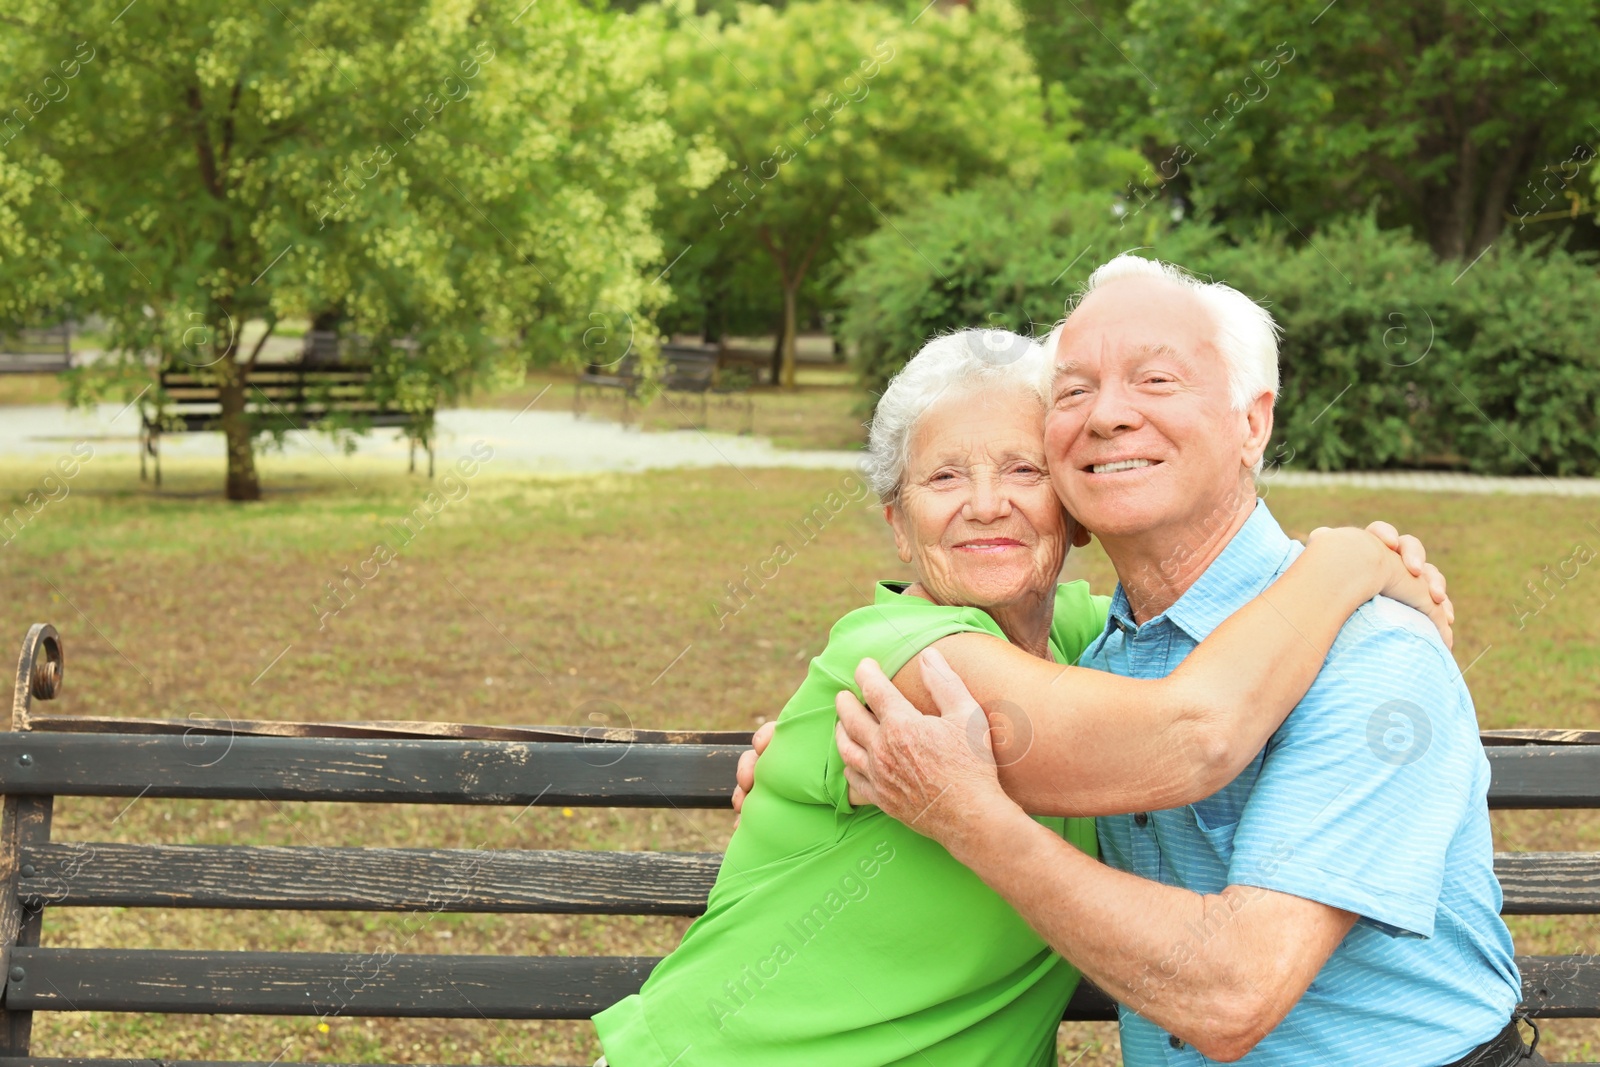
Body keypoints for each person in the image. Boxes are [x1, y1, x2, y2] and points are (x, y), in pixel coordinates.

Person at [595, 328, 1454, 1066]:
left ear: (1075, 507)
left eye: (1021, 469)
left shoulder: (1092, 642)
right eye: (942, 480)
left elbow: (1212, 611)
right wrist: (1346, 563)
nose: (984, 506)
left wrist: (1346, 572)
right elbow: (1186, 734)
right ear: (898, 521)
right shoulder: (898, 664)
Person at [827, 257, 1531, 1065]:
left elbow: (1233, 992)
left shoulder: (1373, 656)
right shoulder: (1092, 655)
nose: (1109, 416)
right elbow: (961, 669)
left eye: (1155, 380)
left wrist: (972, 817)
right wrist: (803, 740)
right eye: (1075, 390)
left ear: (1252, 423)